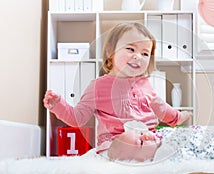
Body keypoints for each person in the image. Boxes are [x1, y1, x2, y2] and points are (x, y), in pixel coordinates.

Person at [43, 22, 192, 161]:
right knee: (128, 140)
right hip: (114, 144)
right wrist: (58, 105)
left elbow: (161, 109)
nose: (137, 56)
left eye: (145, 53)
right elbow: (77, 118)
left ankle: (156, 158)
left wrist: (177, 117)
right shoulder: (98, 86)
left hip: (149, 139)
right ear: (110, 51)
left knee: (177, 141)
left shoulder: (145, 84)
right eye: (131, 49)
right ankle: (140, 159)